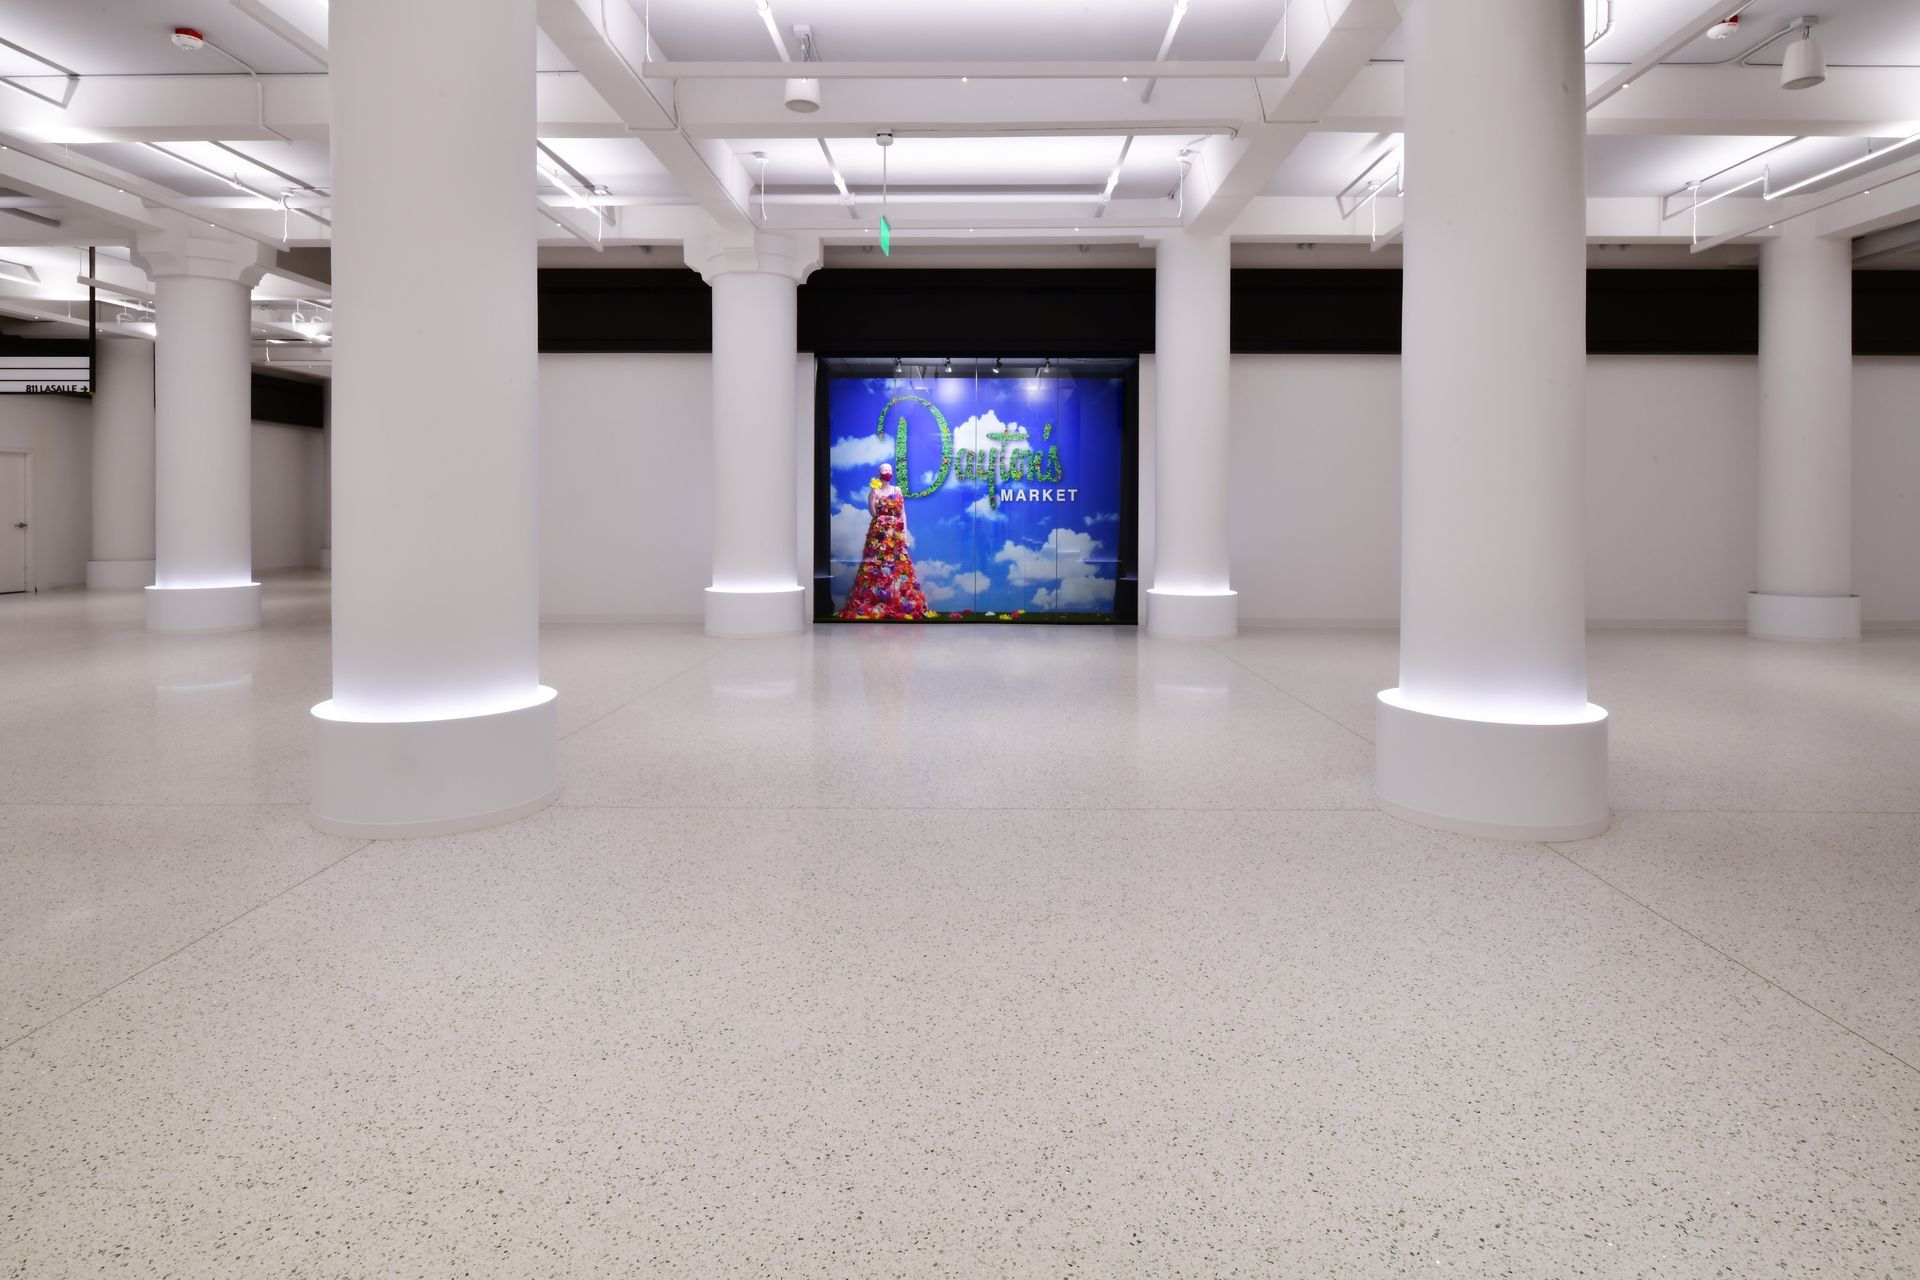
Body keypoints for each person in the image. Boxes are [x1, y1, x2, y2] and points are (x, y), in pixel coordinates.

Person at [838, 462, 933, 620]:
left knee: (898, 564)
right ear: (879, 473)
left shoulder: (897, 490)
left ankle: (899, 600)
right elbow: (873, 512)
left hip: (895, 530)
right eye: (884, 470)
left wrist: (904, 533)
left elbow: (903, 513)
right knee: (877, 564)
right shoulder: (874, 491)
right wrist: (874, 499)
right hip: (879, 531)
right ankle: (876, 599)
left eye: (889, 470)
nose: (887, 472)